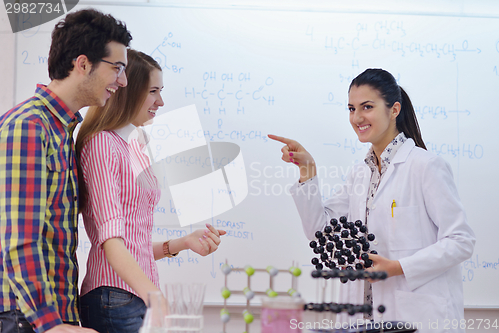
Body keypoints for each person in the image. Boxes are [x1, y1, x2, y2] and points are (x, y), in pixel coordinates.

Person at [269, 68, 475, 332]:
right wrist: (307, 171)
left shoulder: (426, 166)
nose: (357, 117)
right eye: (351, 109)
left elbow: (461, 241)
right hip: (362, 320)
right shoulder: (359, 173)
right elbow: (321, 233)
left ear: (394, 109)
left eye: (367, 107)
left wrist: (398, 267)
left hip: (417, 316)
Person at [0, 9, 132, 333]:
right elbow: (19, 240)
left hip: (54, 315)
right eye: (117, 68)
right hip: (27, 320)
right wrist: (51, 325)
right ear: (83, 63)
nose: (123, 81)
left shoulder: (63, 130)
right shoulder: (28, 127)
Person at [75, 49, 226, 333]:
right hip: (113, 296)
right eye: (153, 91)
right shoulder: (102, 145)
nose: (161, 101)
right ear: (125, 91)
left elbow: (134, 244)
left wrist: (182, 243)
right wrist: (154, 297)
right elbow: (111, 243)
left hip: (131, 295)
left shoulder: (133, 143)